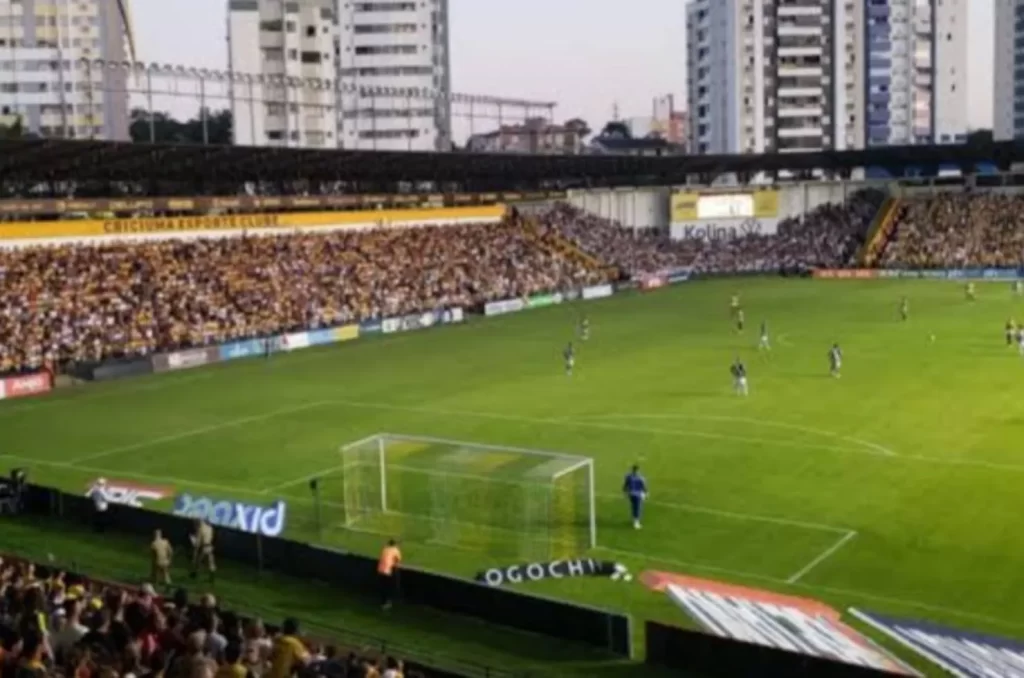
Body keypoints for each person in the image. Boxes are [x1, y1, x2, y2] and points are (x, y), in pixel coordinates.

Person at [377, 539, 402, 610]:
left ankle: (383, 602)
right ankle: (387, 603)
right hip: (387, 571)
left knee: (383, 587)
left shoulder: (385, 549)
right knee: (389, 586)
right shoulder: (395, 550)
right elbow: (398, 560)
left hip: (380, 570)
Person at [622, 465, 647, 530]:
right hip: (637, 495)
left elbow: (625, 485)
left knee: (633, 507)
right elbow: (644, 486)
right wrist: (645, 493)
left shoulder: (628, 476)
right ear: (638, 470)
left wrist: (625, 492)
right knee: (638, 508)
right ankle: (636, 522)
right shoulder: (641, 478)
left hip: (631, 494)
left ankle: (634, 519)